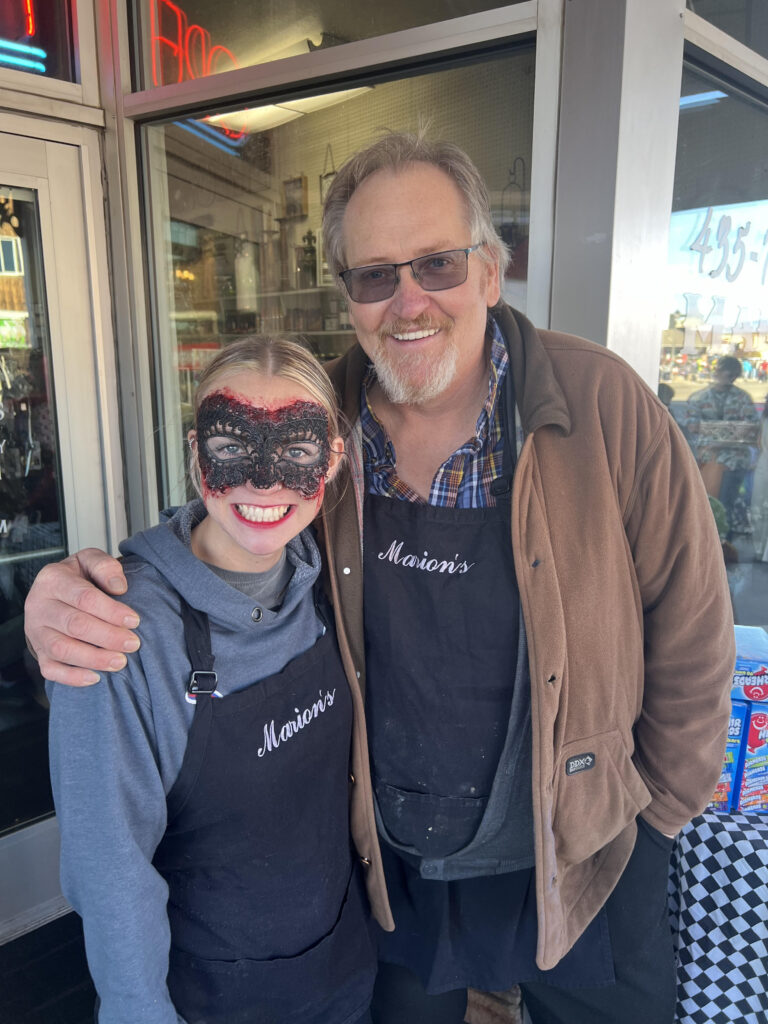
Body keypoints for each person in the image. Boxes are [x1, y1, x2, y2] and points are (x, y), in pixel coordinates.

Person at [27, 134, 734, 1024]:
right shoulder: (318, 422)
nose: (408, 300)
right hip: (396, 873)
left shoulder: (603, 404)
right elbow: (239, 524)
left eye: (437, 263)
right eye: (374, 276)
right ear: (347, 297)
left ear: (489, 272)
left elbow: (693, 629)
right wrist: (85, 590)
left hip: (583, 851)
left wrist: (657, 817)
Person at [45, 336, 390, 1024]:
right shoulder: (115, 634)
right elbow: (110, 877)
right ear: (196, 453)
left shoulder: (327, 579)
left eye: (296, 450)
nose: (263, 483)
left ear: (332, 461)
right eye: (233, 446)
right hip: (208, 1001)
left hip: (340, 971)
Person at [685, 354, 759, 534]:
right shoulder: (699, 397)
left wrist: (711, 430)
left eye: (734, 374)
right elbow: (693, 426)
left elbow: (750, 429)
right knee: (704, 509)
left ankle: (725, 543)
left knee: (726, 509)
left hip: (734, 462)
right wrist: (731, 430)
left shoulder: (742, 398)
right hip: (707, 461)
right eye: (726, 372)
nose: (729, 377)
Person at [749, 396, 768, 561]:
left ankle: (762, 550)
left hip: (763, 465)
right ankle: (760, 549)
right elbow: (759, 442)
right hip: (763, 466)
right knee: (758, 507)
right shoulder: (764, 418)